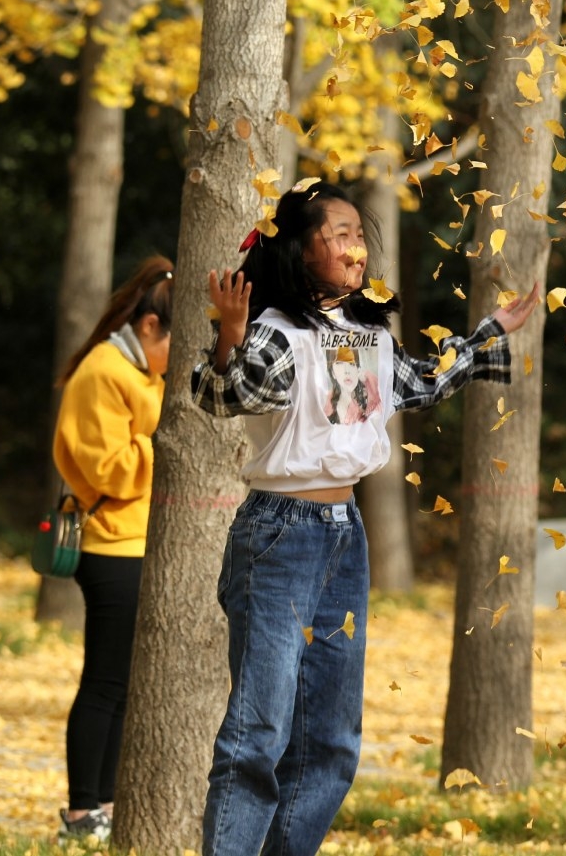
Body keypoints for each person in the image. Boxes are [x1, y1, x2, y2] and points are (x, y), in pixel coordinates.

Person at [191, 179, 539, 856]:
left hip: (345, 538)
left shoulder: (368, 337)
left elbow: (427, 378)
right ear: (299, 250)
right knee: (259, 732)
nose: (356, 248)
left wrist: (492, 332)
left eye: (360, 235)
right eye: (341, 234)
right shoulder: (276, 333)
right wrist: (230, 334)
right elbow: (227, 394)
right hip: (280, 534)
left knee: (333, 738)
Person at [51, 255, 175, 842]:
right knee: (104, 681)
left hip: (137, 541)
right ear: (149, 327)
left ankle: (101, 801)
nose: (176, 362)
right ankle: (80, 812)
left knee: (124, 681)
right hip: (110, 546)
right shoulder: (106, 371)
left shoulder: (141, 373)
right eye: (175, 343)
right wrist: (169, 448)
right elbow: (109, 470)